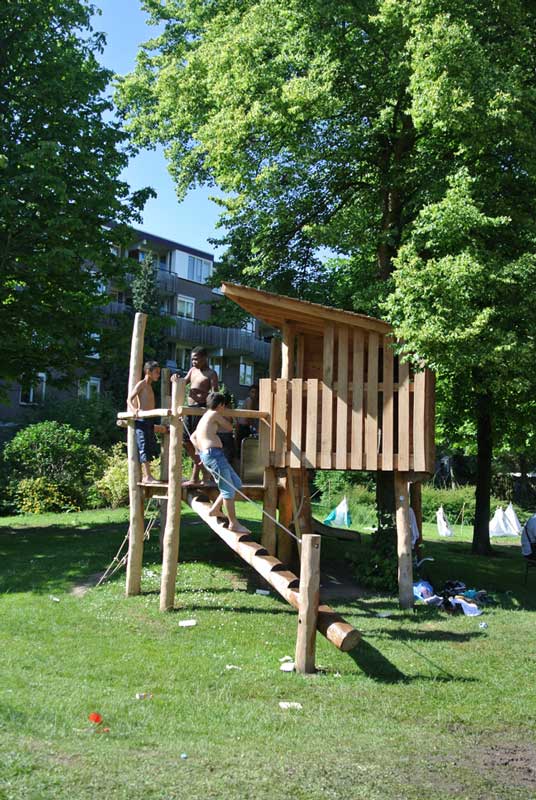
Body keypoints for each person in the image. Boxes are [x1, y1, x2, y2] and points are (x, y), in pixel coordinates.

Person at [190, 392, 250, 533]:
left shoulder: (205, 417)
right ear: (221, 405)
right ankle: (233, 523)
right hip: (214, 455)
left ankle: (215, 509)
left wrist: (199, 451)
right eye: (224, 406)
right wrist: (231, 416)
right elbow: (229, 427)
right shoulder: (214, 414)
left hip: (213, 455)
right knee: (228, 489)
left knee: (235, 483)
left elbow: (193, 437)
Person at [182, 347, 219, 485]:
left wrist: (206, 400)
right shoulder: (192, 371)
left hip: (200, 410)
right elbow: (182, 383)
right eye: (192, 358)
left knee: (197, 442)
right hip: (189, 409)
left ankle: (195, 477)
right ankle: (203, 469)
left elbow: (215, 394)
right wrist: (175, 380)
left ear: (205, 358)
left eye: (196, 358)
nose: (193, 361)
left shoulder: (211, 374)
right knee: (185, 441)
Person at [127, 360, 166, 483]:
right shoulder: (142, 384)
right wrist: (134, 410)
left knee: (150, 445)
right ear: (148, 372)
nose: (158, 375)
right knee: (143, 445)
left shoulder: (149, 386)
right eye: (156, 372)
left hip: (150, 419)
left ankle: (149, 475)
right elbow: (129, 399)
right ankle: (147, 476)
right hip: (142, 419)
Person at [236, 385, 259, 452]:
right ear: (249, 393)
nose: (254, 394)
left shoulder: (255, 402)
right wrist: (255, 427)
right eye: (252, 392)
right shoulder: (249, 400)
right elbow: (249, 415)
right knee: (243, 447)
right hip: (243, 427)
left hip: (245, 426)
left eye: (256, 392)